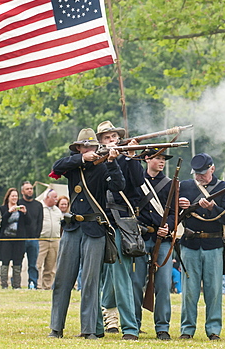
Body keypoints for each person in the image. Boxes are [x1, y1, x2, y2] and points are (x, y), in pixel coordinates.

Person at [49, 128, 125, 339]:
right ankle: (56, 328)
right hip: (73, 227)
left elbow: (119, 186)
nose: (89, 148)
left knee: (91, 282)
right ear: (79, 148)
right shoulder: (74, 165)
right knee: (63, 280)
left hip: (94, 229)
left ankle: (89, 330)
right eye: (85, 146)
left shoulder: (103, 168)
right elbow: (57, 166)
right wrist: (82, 158)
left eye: (91, 146)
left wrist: (111, 161)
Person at [97, 120, 144, 341]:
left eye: (114, 137)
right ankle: (103, 319)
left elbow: (138, 181)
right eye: (106, 138)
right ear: (99, 142)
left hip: (120, 222)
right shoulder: (94, 160)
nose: (111, 140)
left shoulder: (128, 158)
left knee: (121, 275)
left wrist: (132, 156)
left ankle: (129, 328)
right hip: (97, 223)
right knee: (102, 276)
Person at [179, 153, 225, 341]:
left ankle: (213, 330)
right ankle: (187, 330)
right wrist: (182, 207)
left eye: (203, 173)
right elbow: (174, 214)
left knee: (214, 292)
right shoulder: (186, 186)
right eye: (197, 173)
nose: (199, 177)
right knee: (189, 292)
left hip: (213, 244)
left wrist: (212, 208)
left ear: (212, 168)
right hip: (189, 244)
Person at [130, 149, 175, 340]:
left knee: (164, 284)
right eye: (158, 157)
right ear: (147, 159)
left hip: (162, 240)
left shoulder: (171, 185)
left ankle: (162, 328)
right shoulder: (136, 181)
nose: (161, 161)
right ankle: (133, 326)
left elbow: (175, 213)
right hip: (141, 238)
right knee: (136, 283)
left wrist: (168, 227)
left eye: (163, 158)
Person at [0, 188, 30, 289]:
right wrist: (9, 212)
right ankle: (4, 285)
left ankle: (16, 285)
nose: (15, 198)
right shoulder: (3, 209)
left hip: (18, 240)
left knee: (17, 262)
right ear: (8, 197)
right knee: (5, 261)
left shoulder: (20, 209)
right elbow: (1, 223)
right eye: (13, 196)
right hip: (6, 239)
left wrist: (25, 213)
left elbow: (28, 223)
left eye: (16, 196)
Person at [19, 181, 43, 289]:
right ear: (22, 191)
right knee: (17, 263)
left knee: (33, 264)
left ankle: (33, 283)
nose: (30, 190)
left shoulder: (38, 205)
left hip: (33, 239)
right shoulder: (18, 204)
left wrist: (36, 235)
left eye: (31, 188)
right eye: (27, 189)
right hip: (20, 239)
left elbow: (40, 222)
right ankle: (16, 283)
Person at [36, 189, 62, 290]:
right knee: (38, 264)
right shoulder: (39, 207)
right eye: (54, 197)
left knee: (50, 267)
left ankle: (47, 286)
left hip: (55, 240)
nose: (56, 199)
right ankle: (37, 285)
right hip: (42, 240)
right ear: (47, 197)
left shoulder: (57, 210)